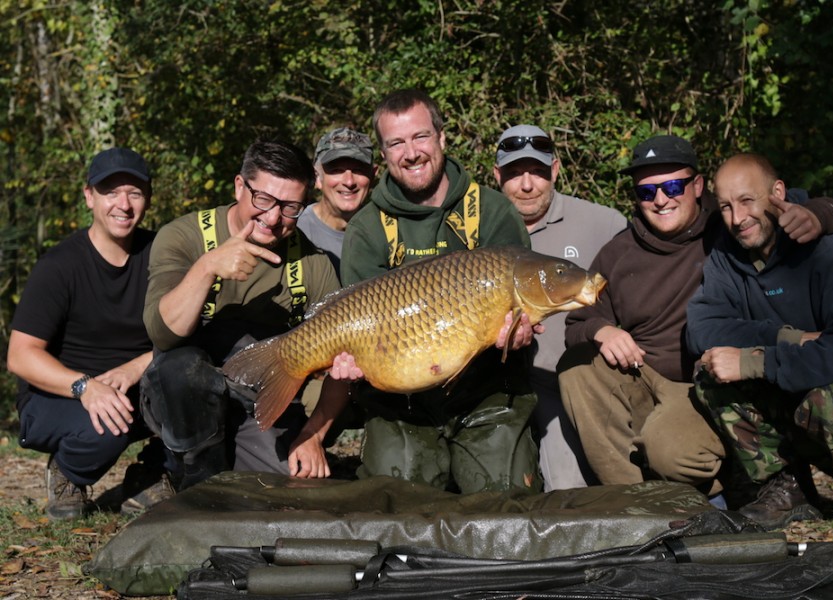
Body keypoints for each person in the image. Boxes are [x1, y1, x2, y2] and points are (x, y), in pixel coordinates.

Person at [558, 135, 833, 505]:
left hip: (711, 384)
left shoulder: (730, 222)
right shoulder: (618, 252)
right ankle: (635, 502)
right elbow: (578, 321)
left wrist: (818, 215)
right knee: (576, 366)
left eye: (672, 186)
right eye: (646, 192)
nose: (661, 199)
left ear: (697, 186)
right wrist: (601, 330)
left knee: (673, 454)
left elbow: (815, 208)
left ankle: (724, 484)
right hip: (645, 373)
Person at [686, 153, 833, 539]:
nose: (738, 218)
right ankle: (787, 487)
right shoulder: (726, 255)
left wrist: (755, 362)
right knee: (711, 371)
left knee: (829, 399)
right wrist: (790, 339)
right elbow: (702, 329)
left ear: (778, 192)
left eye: (748, 201)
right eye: (727, 207)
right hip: (797, 388)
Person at [339, 88, 539, 494]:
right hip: (401, 405)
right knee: (398, 507)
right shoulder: (367, 228)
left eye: (420, 137)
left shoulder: (492, 211)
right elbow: (355, 324)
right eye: (396, 143)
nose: (411, 152)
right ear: (383, 155)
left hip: (487, 394)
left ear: (442, 138)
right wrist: (350, 359)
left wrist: (520, 332)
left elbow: (522, 302)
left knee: (505, 506)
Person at [140, 139, 350, 490]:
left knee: (287, 492)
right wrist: (207, 268)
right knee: (182, 371)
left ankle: (213, 463)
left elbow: (343, 363)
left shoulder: (314, 263)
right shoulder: (182, 237)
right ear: (240, 186)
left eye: (290, 207)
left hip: (259, 399)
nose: (272, 218)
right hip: (179, 392)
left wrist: (312, 436)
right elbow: (163, 334)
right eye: (264, 200)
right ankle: (189, 470)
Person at [7, 147, 172, 519]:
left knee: (204, 392)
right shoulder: (59, 265)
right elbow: (20, 355)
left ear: (147, 198)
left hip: (135, 387)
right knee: (107, 425)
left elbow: (188, 329)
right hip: (58, 395)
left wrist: (136, 367)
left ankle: (152, 473)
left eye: (134, 192)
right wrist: (86, 387)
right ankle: (68, 472)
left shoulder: (161, 254)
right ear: (89, 197)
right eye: (110, 192)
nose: (123, 204)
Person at [493, 124, 627, 491]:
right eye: (514, 174)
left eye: (536, 172)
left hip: (568, 381)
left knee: (568, 488)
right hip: (500, 383)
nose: (526, 185)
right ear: (497, 177)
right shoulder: (483, 229)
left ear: (554, 170)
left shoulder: (604, 224)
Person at [297, 127, 376, 277]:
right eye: (337, 170)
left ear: (373, 176)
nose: (349, 181)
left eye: (358, 170)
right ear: (317, 178)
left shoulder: (387, 232)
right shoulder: (295, 232)